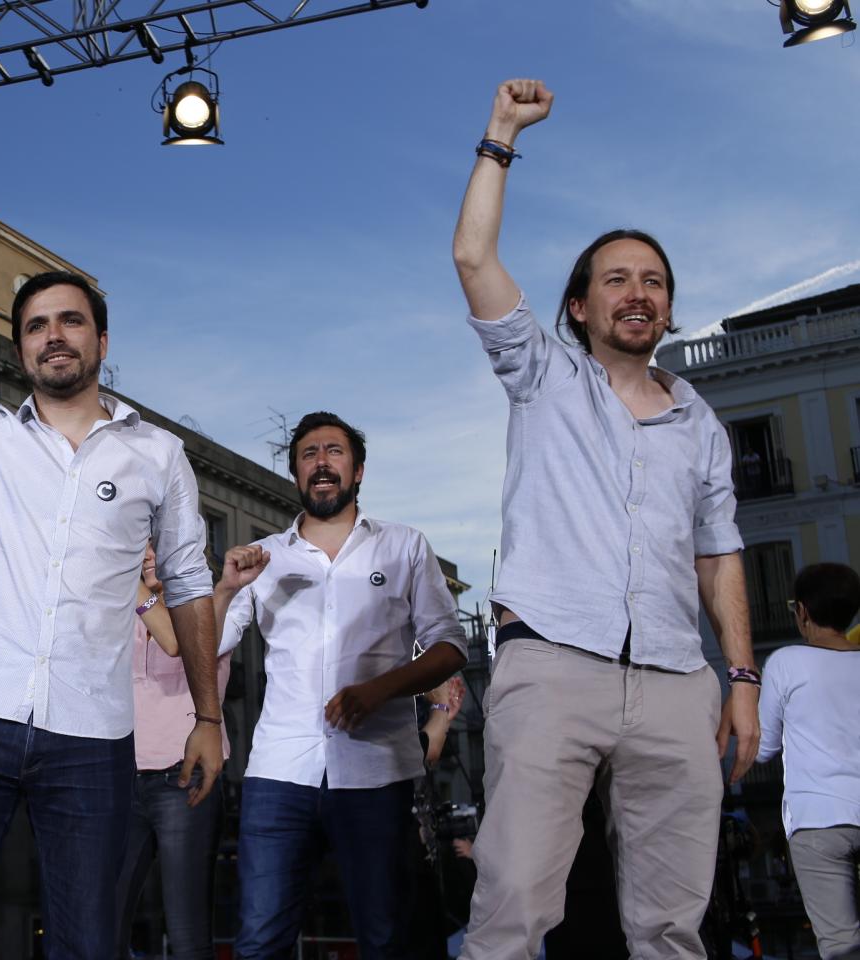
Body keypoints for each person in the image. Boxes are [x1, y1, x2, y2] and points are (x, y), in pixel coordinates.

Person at [0, 178, 221, 959]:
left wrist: (209, 717)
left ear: (100, 339)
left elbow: (190, 584)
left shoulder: (158, 455)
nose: (52, 336)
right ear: (19, 346)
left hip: (92, 736)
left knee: (90, 945)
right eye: (35, 326)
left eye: (70, 321)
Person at [451, 79, 758, 960]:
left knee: (673, 924)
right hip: (553, 664)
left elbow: (720, 553)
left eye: (654, 281)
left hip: (674, 680)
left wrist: (740, 679)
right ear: (579, 306)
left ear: (666, 308)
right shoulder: (542, 376)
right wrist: (502, 134)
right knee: (512, 910)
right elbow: (475, 259)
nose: (638, 291)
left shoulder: (699, 421)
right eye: (616, 278)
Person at [215, 411, 467, 959]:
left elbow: (449, 645)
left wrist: (380, 690)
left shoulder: (404, 547)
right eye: (309, 454)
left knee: (388, 939)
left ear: (357, 472)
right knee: (259, 943)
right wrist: (225, 588)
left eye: (333, 452)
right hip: (279, 775)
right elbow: (208, 644)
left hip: (377, 774)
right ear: (297, 474)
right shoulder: (266, 558)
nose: (321, 462)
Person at [115, 544, 228, 960]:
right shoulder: (126, 611)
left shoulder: (211, 606)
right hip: (122, 778)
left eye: (156, 547)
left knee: (186, 933)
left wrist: (132, 585)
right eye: (141, 548)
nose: (145, 554)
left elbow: (175, 643)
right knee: (101, 924)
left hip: (185, 778)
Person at [757, 562, 860, 959]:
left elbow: (763, 748)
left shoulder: (786, 662)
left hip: (817, 819)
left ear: (801, 610)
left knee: (840, 945)